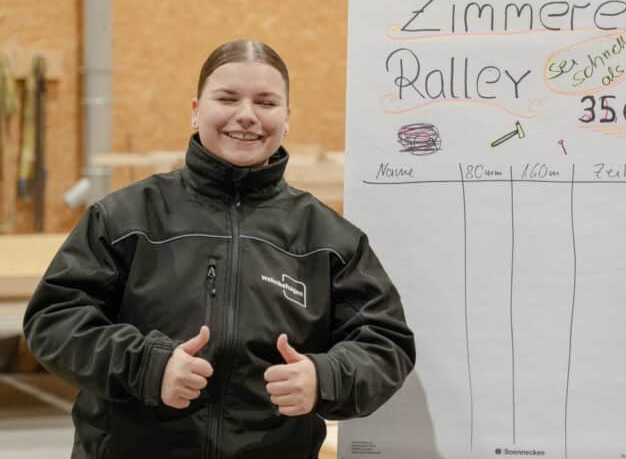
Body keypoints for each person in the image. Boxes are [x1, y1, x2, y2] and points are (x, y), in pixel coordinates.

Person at [23, 39, 415, 458]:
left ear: (287, 118)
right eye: (227, 98)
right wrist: (146, 367)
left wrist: (326, 377)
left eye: (266, 102)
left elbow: (386, 344)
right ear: (195, 110)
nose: (245, 116)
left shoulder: (329, 240)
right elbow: (54, 319)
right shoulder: (126, 218)